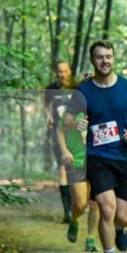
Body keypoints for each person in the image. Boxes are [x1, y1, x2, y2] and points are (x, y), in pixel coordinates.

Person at [74, 40, 127, 253]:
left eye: (108, 56)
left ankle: (120, 228)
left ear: (113, 59)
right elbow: (67, 120)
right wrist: (77, 123)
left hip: (125, 157)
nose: (104, 61)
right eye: (99, 57)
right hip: (98, 156)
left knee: (123, 216)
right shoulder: (84, 91)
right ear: (92, 61)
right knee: (106, 209)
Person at [57, 89, 101, 252]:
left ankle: (91, 238)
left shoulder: (102, 111)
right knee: (80, 204)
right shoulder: (74, 109)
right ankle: (75, 219)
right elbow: (60, 130)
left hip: (97, 160)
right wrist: (64, 151)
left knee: (95, 203)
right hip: (77, 160)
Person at [45, 62, 76, 222]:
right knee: (63, 169)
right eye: (59, 72)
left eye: (65, 71)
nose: (62, 74)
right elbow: (47, 107)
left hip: (77, 135)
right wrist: (49, 117)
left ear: (70, 72)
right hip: (59, 135)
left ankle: (77, 204)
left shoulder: (78, 87)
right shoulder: (51, 89)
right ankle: (67, 211)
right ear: (56, 73)